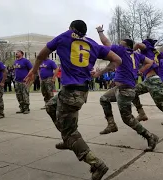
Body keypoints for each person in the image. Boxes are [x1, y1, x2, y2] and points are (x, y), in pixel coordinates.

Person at [24, 20, 122, 180]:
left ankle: (96, 163)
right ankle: (67, 138)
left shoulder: (64, 37)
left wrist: (34, 70)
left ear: (71, 28)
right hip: (80, 91)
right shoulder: (92, 43)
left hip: (71, 92)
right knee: (50, 106)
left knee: (71, 133)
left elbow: (42, 54)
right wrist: (100, 72)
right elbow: (117, 60)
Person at [96, 25, 159, 152]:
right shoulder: (136, 55)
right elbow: (150, 62)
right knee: (104, 99)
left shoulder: (121, 50)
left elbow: (106, 42)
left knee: (127, 119)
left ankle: (150, 137)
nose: (119, 45)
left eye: (121, 44)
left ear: (125, 46)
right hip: (123, 88)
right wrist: (140, 71)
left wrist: (100, 31)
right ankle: (111, 124)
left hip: (125, 90)